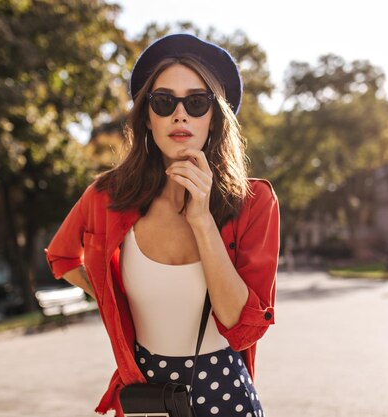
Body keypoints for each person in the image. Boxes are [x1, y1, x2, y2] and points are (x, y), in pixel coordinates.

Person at [45, 33, 280, 417]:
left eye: (197, 102)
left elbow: (241, 325)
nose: (180, 114)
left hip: (224, 392)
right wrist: (112, 299)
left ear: (214, 118)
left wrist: (202, 219)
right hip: (144, 394)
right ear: (148, 117)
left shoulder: (254, 203)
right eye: (164, 101)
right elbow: (63, 256)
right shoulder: (108, 196)